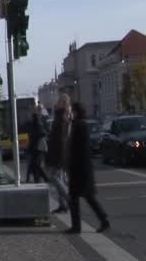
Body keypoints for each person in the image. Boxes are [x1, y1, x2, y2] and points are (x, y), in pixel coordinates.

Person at [66, 102, 110, 234]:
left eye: (72, 111)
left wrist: (72, 164)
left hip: (80, 168)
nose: (70, 113)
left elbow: (79, 148)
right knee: (85, 197)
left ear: (76, 112)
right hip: (80, 168)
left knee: (81, 197)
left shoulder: (80, 125)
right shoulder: (78, 124)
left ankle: (80, 225)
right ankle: (101, 219)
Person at [46, 94, 71, 213]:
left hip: (59, 151)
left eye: (59, 101)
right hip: (58, 150)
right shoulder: (59, 115)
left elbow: (60, 138)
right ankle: (63, 204)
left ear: (63, 103)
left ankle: (68, 198)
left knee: (53, 176)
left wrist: (55, 152)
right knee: (59, 176)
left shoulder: (62, 117)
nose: (57, 102)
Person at [26, 106, 49, 183]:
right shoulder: (37, 120)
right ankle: (38, 180)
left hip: (38, 147)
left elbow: (42, 133)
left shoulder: (38, 120)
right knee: (34, 165)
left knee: (35, 164)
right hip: (37, 147)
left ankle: (44, 179)